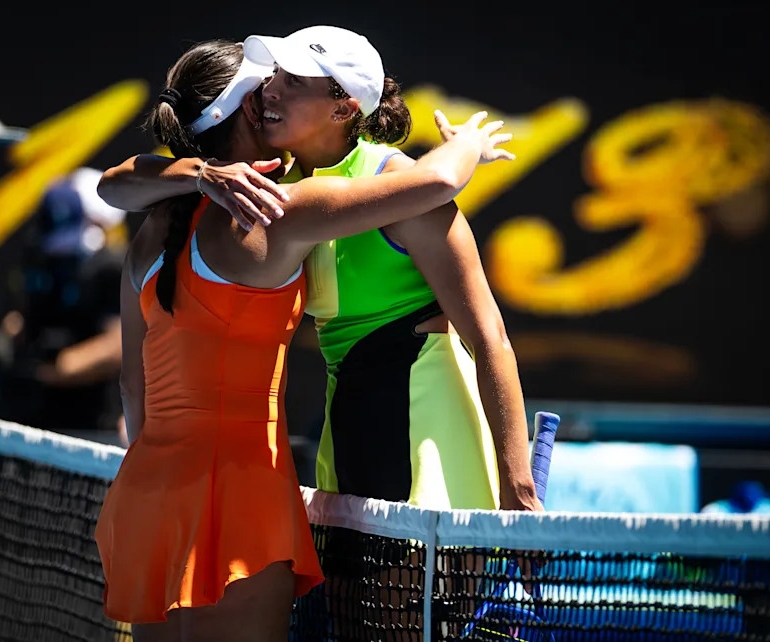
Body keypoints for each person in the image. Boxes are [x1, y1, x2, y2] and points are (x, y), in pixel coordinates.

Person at [94, 38, 513, 642]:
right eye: (269, 84)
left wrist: (199, 172)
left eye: (289, 81)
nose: (275, 92)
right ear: (247, 111)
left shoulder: (151, 232)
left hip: (148, 488)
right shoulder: (283, 210)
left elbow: (132, 385)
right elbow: (440, 179)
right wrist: (468, 142)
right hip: (243, 493)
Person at [0, 168, 128, 443]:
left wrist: (56, 370)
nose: (59, 255)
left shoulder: (109, 269)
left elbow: (119, 346)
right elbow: (17, 323)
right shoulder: (33, 263)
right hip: (33, 421)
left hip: (91, 424)